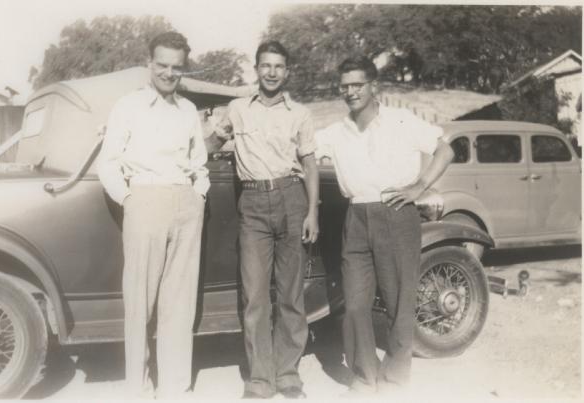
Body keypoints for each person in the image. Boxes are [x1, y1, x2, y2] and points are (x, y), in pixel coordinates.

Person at [315, 56, 454, 395]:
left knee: (397, 302)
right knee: (355, 302)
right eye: (345, 86)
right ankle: (365, 376)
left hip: (396, 213)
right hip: (356, 216)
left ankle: (394, 380)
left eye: (357, 85)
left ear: (373, 85)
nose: (350, 92)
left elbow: (445, 151)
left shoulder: (400, 120)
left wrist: (418, 188)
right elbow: (301, 152)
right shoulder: (335, 131)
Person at [96, 31, 209, 398]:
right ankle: (139, 387)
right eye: (162, 64)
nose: (168, 72)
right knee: (139, 303)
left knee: (179, 302)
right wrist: (129, 200)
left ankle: (176, 387)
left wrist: (198, 195)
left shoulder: (189, 110)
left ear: (183, 69)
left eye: (176, 67)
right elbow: (109, 164)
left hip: (185, 204)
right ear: (149, 64)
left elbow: (199, 165)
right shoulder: (127, 106)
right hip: (144, 200)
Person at [208, 40, 319, 399]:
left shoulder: (300, 114)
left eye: (279, 66)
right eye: (265, 66)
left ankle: (287, 374)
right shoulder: (237, 110)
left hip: (292, 199)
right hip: (253, 201)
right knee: (255, 295)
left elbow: (310, 164)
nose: (271, 72)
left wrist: (313, 211)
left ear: (287, 72)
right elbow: (209, 144)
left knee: (290, 294)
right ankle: (259, 378)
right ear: (256, 69)